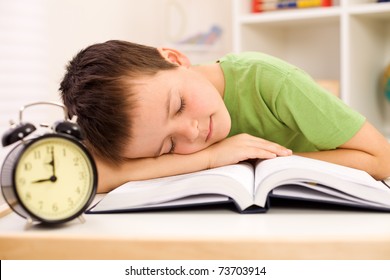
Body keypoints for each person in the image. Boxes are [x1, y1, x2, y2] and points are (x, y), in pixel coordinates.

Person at [59, 40, 390, 193]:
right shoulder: (150, 127)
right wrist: (213, 158)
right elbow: (90, 174)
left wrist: (263, 162)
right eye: (169, 146)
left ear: (175, 58)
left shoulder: (269, 80)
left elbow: (381, 158)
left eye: (179, 106)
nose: (192, 133)